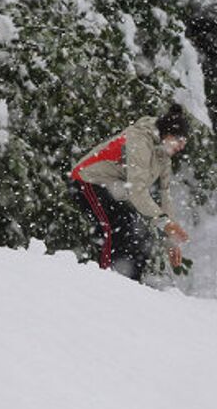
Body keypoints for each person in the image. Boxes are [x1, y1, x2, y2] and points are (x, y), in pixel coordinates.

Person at [68, 104, 190, 281]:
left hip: (114, 189)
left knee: (141, 235)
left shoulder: (163, 157)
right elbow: (136, 190)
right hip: (86, 181)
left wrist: (171, 241)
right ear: (167, 135)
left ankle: (131, 286)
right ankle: (105, 282)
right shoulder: (139, 141)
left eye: (184, 142)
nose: (181, 147)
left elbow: (165, 196)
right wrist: (165, 223)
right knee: (117, 228)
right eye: (179, 140)